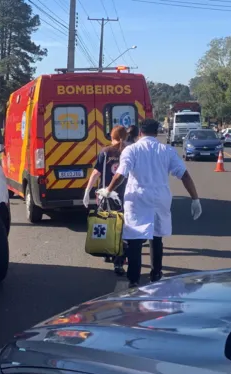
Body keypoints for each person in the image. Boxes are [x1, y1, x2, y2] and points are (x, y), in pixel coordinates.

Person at [97, 119, 202, 288]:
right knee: (156, 238)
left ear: (140, 133)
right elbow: (184, 175)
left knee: (135, 240)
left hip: (137, 198)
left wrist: (108, 190)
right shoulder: (167, 150)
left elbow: (121, 174)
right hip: (160, 198)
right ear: (156, 132)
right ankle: (156, 275)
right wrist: (195, 198)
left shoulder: (132, 150)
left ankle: (133, 280)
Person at [83, 125, 129, 276]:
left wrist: (87, 190)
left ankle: (107, 251)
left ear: (111, 136)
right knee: (121, 229)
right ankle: (119, 262)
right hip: (125, 196)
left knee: (108, 224)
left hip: (106, 195)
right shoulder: (130, 151)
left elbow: (96, 172)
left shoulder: (105, 152)